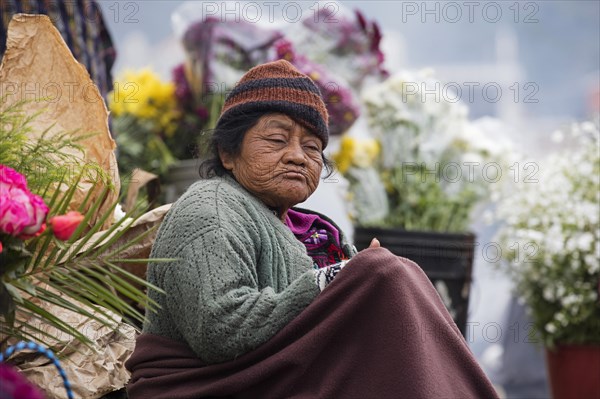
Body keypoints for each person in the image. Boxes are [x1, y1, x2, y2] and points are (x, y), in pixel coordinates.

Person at [126, 59, 499, 399]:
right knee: (382, 271)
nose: (297, 155)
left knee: (397, 273)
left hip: (278, 381)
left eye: (312, 147)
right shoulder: (212, 208)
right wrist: (340, 280)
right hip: (207, 388)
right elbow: (221, 332)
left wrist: (359, 281)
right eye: (276, 140)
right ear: (228, 153)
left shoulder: (313, 231)